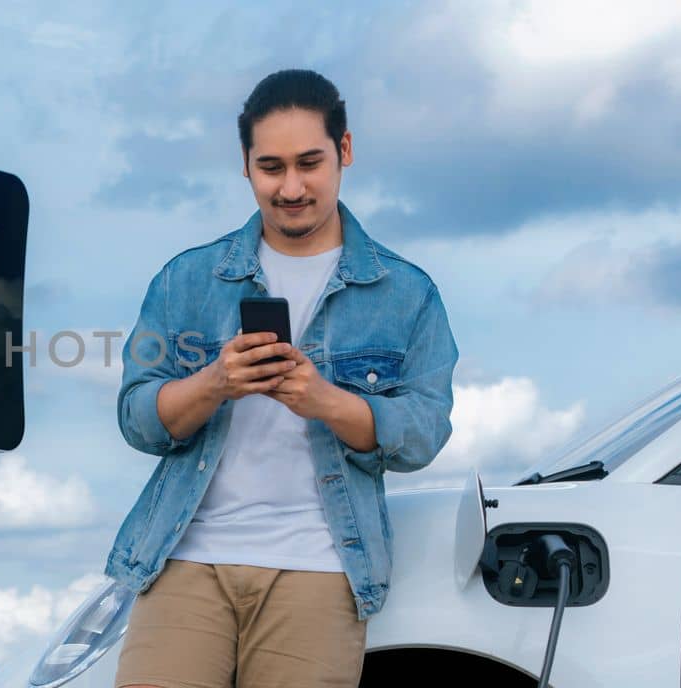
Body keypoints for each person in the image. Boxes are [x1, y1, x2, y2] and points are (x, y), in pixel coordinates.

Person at [108, 69, 459, 688]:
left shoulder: (407, 294)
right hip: (186, 559)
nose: (291, 187)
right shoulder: (185, 280)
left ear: (344, 152)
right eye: (271, 167)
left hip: (319, 566)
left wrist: (326, 401)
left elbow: (424, 434)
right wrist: (215, 382)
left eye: (309, 163)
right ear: (245, 165)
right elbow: (137, 417)